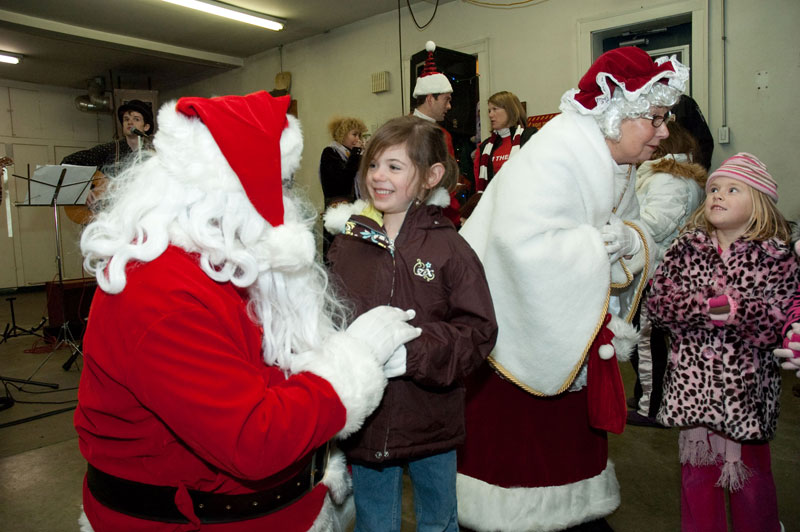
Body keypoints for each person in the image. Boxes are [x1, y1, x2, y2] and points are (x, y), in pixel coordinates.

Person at [74, 91, 422, 531]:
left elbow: (249, 370)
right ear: (231, 193)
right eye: (279, 185)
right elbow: (252, 439)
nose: (285, 205)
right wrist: (352, 365)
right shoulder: (160, 292)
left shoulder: (214, 261)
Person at [455, 46, 689, 531]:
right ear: (618, 116)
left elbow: (622, 233)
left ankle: (572, 515)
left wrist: (628, 239)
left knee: (566, 457)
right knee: (521, 464)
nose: (664, 132)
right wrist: (600, 247)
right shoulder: (557, 153)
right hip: (515, 339)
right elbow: (516, 246)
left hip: (567, 333)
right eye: (657, 119)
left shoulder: (612, 161)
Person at [323, 115, 498, 532]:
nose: (379, 177)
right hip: (368, 420)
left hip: (431, 418)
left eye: (395, 167)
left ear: (430, 176)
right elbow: (331, 315)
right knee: (373, 521)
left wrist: (412, 353)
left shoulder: (450, 247)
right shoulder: (348, 243)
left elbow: (478, 331)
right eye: (373, 165)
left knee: (438, 520)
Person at [647, 153, 798, 531]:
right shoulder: (686, 248)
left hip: (745, 395)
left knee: (752, 482)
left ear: (760, 203)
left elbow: (781, 319)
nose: (717, 195)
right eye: (713, 188)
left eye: (732, 189)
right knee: (696, 479)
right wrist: (701, 306)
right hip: (693, 390)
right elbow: (658, 303)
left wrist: (739, 310)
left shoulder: (776, 256)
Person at [627, 120, 707, 427]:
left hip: (657, 274)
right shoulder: (672, 176)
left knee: (647, 343)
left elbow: (655, 224)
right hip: (664, 271)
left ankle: (652, 407)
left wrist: (622, 226)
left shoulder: (668, 179)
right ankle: (647, 393)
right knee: (651, 343)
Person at [62, 99, 155, 173]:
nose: (130, 122)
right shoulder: (109, 149)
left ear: (146, 127)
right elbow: (69, 161)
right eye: (126, 119)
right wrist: (95, 181)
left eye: (136, 119)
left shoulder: (153, 154)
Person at [319, 116, 367, 259]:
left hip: (355, 209)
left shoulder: (354, 155)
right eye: (354, 134)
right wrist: (356, 154)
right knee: (338, 255)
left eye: (360, 135)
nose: (358, 139)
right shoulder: (330, 153)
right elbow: (343, 181)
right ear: (342, 134)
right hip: (338, 212)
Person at [472, 90, 537, 193]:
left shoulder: (530, 137)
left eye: (495, 109)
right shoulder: (485, 147)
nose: (490, 115)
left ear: (510, 110)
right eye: (489, 110)